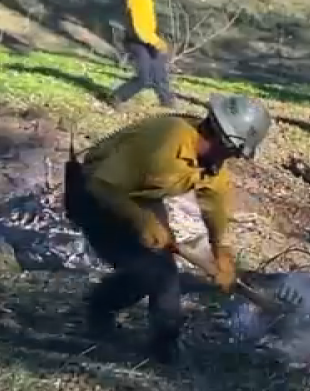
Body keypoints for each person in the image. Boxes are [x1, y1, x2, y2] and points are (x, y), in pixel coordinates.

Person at [62, 94, 273, 363]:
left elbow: (215, 205)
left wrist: (222, 253)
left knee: (161, 269)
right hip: (92, 195)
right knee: (157, 273)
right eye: (235, 152)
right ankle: (123, 324)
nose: (234, 158)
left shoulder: (209, 162)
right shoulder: (162, 141)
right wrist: (141, 220)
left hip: (138, 197)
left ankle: (151, 334)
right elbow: (100, 184)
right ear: (224, 140)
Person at [110, 0, 176, 108]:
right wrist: (157, 42)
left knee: (159, 71)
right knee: (144, 78)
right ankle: (118, 97)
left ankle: (167, 101)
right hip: (138, 41)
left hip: (147, 39)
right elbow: (140, 28)